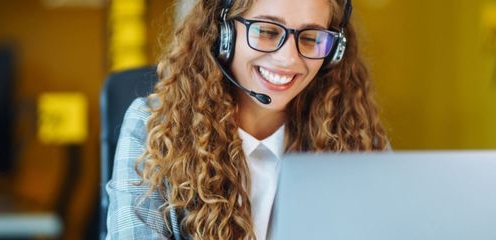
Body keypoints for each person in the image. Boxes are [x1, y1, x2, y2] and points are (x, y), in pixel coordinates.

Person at [106, 0, 388, 239]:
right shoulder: (152, 125)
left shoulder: (357, 135)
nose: (288, 59)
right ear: (222, 32)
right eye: (266, 31)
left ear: (334, 53)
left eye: (311, 37)